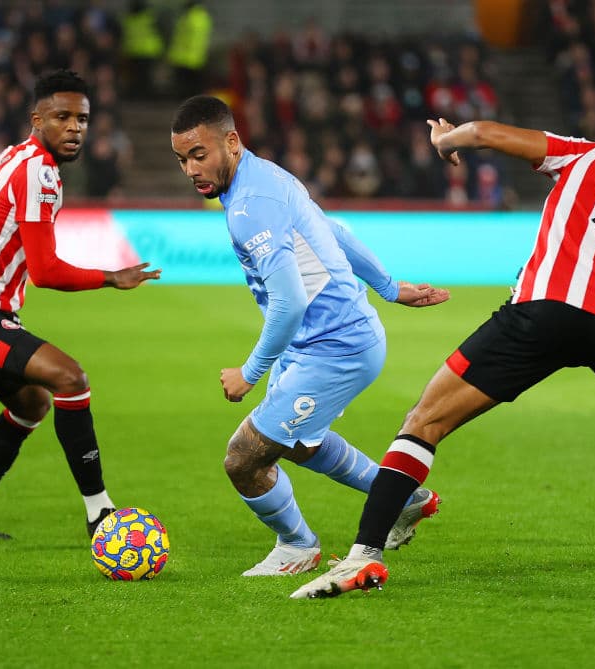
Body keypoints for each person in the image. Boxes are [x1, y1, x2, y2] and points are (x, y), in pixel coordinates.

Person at [292, 105, 595, 598]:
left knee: (425, 421)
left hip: (541, 312)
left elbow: (484, 132)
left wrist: (447, 141)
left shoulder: (591, 155)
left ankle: (363, 558)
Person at [169, 95, 450, 576]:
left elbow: (289, 302)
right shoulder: (266, 176)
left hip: (335, 346)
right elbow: (333, 229)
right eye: (182, 159)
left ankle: (297, 547)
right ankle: (404, 498)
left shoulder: (249, 207)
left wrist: (249, 373)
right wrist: (385, 287)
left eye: (200, 154)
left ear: (231, 142)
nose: (191, 169)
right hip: (323, 341)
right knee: (299, 443)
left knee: (244, 458)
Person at [0, 70, 162, 541]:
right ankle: (100, 514)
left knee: (31, 404)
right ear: (38, 118)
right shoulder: (37, 170)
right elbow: (46, 271)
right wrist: (112, 277)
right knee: (70, 378)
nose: (75, 127)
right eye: (62, 117)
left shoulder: (16, 158)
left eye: (83, 119)